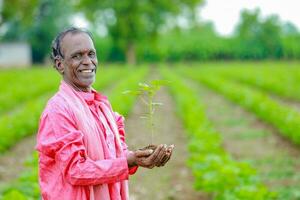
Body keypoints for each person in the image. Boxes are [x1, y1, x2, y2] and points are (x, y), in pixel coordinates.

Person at [35, 27, 174, 200]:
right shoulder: (58, 110)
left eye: (91, 54)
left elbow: (114, 156)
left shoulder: (101, 106)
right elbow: (76, 171)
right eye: (77, 56)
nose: (87, 62)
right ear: (59, 64)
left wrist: (137, 157)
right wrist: (129, 162)